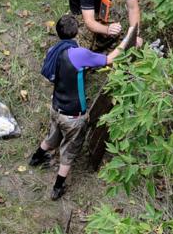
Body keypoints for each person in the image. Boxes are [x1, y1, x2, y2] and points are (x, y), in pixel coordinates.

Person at [29, 14, 122, 200]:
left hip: (56, 108)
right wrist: (127, 41)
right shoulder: (79, 54)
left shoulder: (54, 50)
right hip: (73, 116)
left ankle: (35, 158)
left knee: (52, 137)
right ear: (77, 31)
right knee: (69, 152)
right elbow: (108, 59)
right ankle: (57, 188)